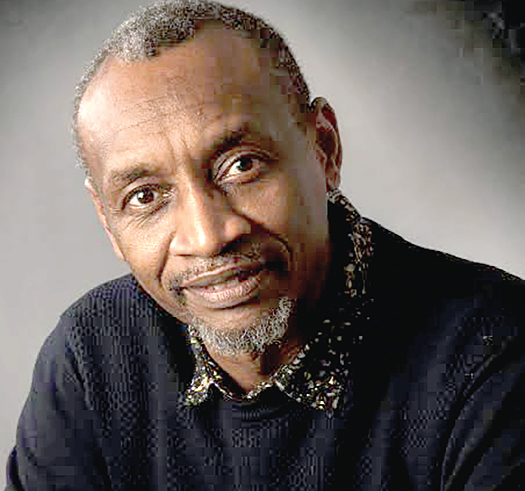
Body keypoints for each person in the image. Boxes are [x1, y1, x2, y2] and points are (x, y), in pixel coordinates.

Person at [5, 1, 525, 489]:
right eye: (145, 196)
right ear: (107, 221)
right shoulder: (91, 360)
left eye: (241, 165)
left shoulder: (494, 353)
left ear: (324, 149)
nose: (208, 236)